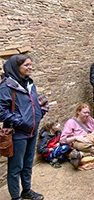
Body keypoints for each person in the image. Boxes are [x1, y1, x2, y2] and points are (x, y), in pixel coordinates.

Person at [0, 54, 48, 200]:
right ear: (16, 67)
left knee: (27, 165)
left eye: (31, 65)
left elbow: (34, 104)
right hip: (17, 133)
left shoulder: (29, 84)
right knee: (15, 168)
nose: (30, 67)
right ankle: (16, 197)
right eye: (27, 65)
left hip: (32, 131)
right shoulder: (6, 86)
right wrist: (21, 122)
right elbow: (1, 111)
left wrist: (41, 111)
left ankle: (26, 191)